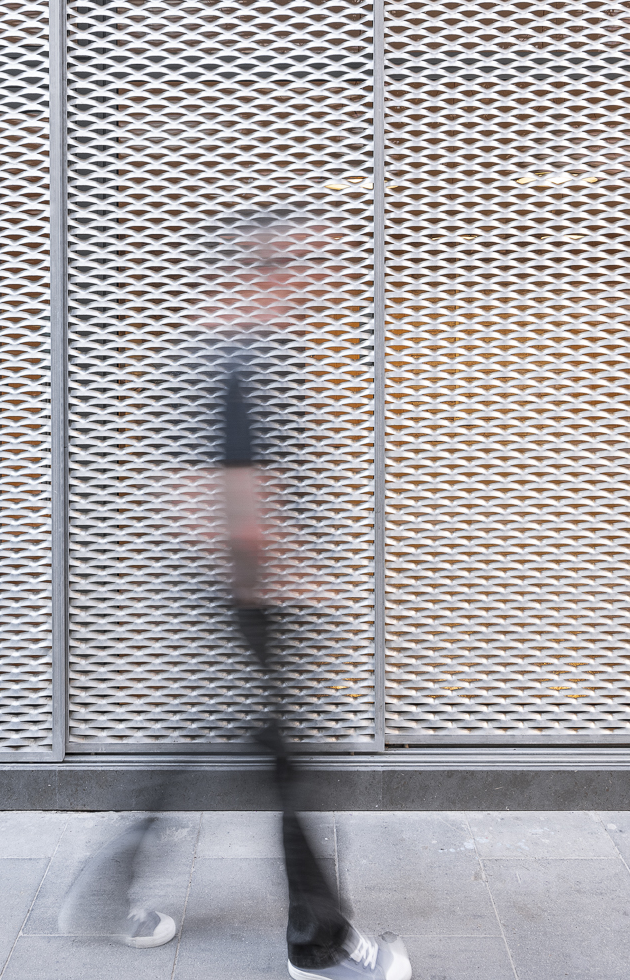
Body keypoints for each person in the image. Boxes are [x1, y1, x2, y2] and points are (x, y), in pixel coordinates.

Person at [58, 210, 411, 980]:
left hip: (232, 596)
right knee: (287, 769)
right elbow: (227, 499)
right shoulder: (241, 362)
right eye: (305, 266)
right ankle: (320, 944)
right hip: (255, 602)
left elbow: (188, 493)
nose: (319, 283)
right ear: (264, 271)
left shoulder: (205, 352)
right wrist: (294, 581)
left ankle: (107, 892)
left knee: (228, 747)